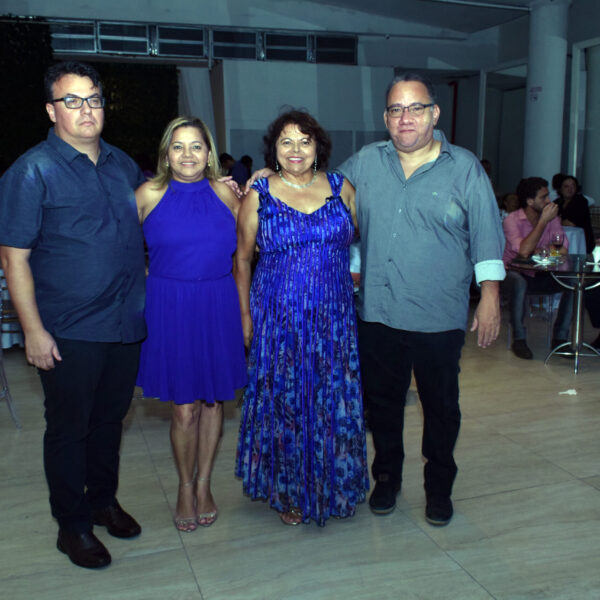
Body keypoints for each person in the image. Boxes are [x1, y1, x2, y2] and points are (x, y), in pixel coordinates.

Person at [337, 72, 505, 526]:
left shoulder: (464, 167)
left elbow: (486, 234)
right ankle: (386, 478)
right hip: (378, 311)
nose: (405, 118)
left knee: (441, 408)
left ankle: (439, 488)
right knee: (383, 405)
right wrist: (271, 181)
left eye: (415, 108)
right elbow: (319, 193)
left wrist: (490, 296)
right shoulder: (366, 162)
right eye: (396, 109)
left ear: (434, 113)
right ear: (385, 118)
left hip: (438, 314)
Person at [0, 61, 145, 569]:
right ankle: (72, 525)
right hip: (69, 329)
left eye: (94, 99)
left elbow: (164, 208)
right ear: (51, 110)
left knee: (110, 421)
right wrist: (33, 332)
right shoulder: (31, 171)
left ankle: (103, 501)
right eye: (72, 100)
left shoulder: (123, 165)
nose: (86, 109)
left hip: (125, 323)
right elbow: (14, 258)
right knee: (68, 429)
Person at [235, 110, 368, 526]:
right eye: (286, 142)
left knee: (331, 398)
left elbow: (362, 238)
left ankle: (335, 484)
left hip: (334, 317)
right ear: (273, 149)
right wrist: (244, 314)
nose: (296, 150)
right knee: (286, 402)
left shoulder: (341, 188)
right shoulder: (259, 194)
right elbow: (242, 259)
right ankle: (290, 490)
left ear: (318, 147)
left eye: (304, 141)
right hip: (278, 317)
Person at [136, 117, 247, 532]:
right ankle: (185, 486)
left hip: (217, 304)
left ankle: (204, 484)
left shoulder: (227, 193)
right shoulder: (147, 194)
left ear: (209, 152)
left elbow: (249, 249)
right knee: (184, 408)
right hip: (171, 308)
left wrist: (264, 179)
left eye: (196, 146)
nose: (188, 155)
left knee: (214, 401)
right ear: (166, 153)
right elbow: (117, 249)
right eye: (178, 146)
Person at [502, 177, 573, 360]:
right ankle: (519, 339)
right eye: (544, 197)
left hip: (541, 273)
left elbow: (563, 249)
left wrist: (542, 249)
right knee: (519, 283)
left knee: (573, 282)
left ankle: (560, 338)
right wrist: (542, 222)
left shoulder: (553, 219)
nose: (549, 201)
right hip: (512, 273)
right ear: (530, 201)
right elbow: (524, 251)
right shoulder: (512, 220)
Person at [554, 175, 595, 254]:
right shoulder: (557, 202)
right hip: (560, 238)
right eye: (566, 186)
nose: (570, 189)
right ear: (561, 189)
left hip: (580, 239)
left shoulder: (581, 201)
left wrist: (557, 221)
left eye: (573, 186)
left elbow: (570, 223)